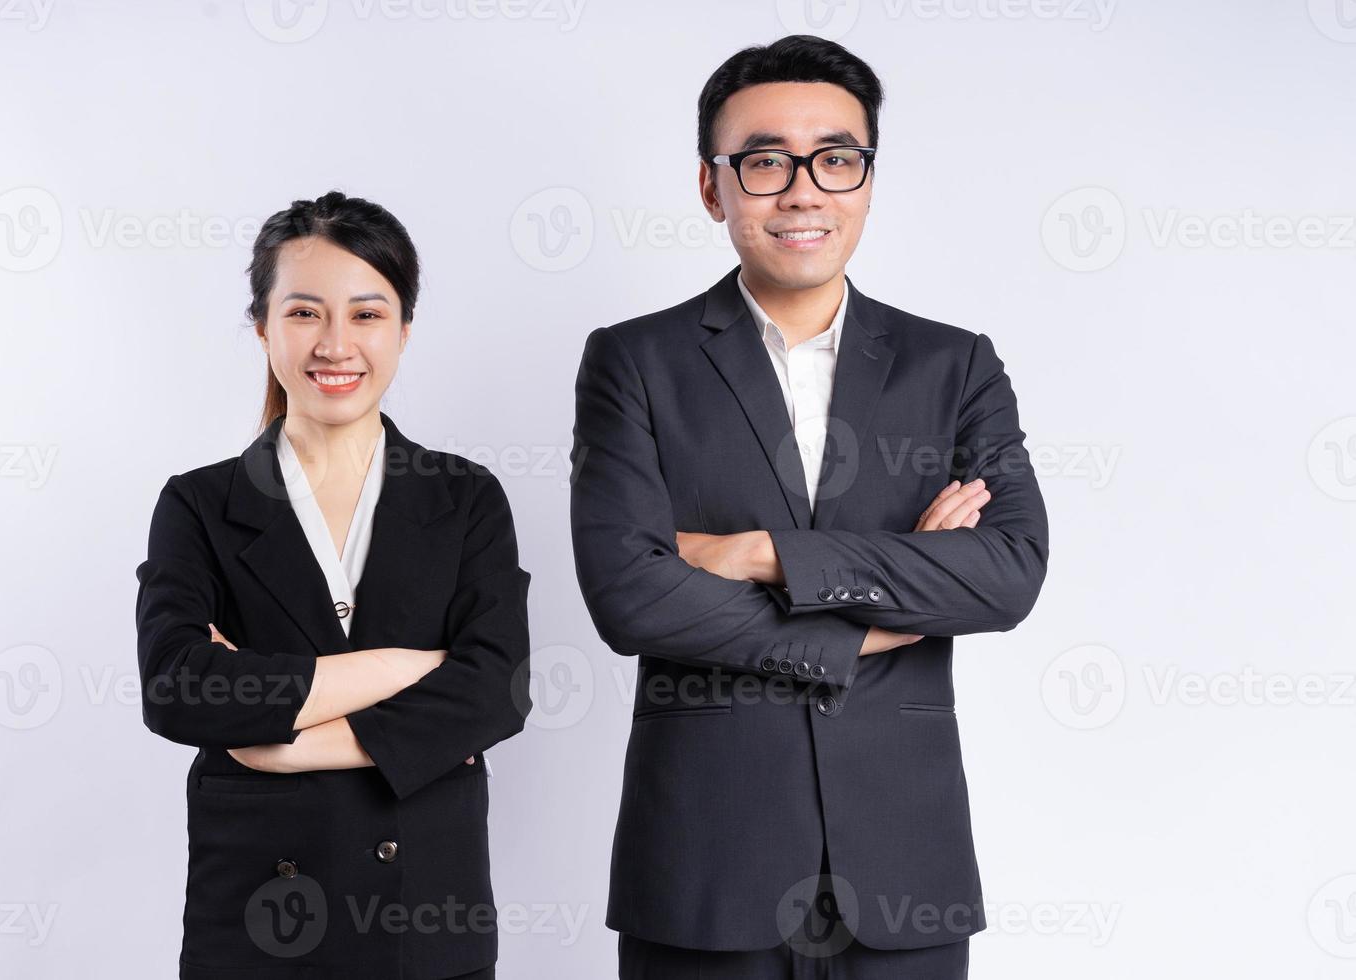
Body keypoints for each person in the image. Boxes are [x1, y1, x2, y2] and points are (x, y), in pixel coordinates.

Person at [569, 35, 1049, 979]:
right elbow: (630, 594)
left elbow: (1004, 574)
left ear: (868, 181)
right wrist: (882, 616)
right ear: (714, 187)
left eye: (835, 159)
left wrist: (755, 553)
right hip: (706, 863)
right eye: (763, 161)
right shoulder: (635, 362)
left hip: (906, 870)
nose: (802, 190)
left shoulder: (954, 366)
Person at [135, 190, 531, 979]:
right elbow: (179, 688)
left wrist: (288, 748)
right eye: (306, 313)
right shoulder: (200, 502)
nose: (336, 345)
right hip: (258, 915)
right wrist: (406, 668)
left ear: (405, 330)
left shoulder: (465, 497)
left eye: (368, 314)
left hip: (426, 918)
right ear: (262, 326)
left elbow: (496, 692)